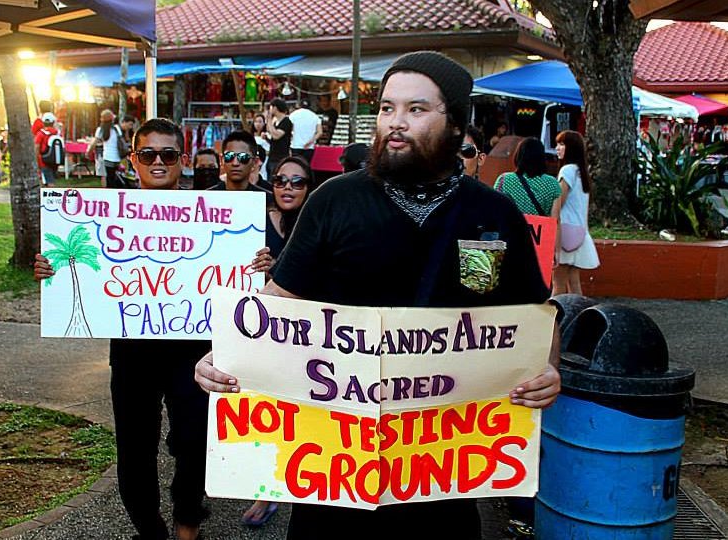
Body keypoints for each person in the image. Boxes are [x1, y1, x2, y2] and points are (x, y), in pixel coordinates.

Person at [195, 51, 560, 540]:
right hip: (334, 471)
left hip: (442, 473)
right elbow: (277, 302)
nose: (396, 123)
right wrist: (224, 356)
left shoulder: (495, 214)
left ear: (454, 124)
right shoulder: (333, 201)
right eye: (387, 108)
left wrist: (549, 372)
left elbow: (536, 317)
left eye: (416, 109)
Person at [35, 118, 272, 540]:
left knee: (195, 441)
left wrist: (259, 266)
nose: (157, 162)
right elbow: (80, 267)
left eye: (167, 154)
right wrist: (52, 268)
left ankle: (187, 522)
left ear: (182, 159)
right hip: (132, 351)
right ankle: (149, 528)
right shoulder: (103, 213)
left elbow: (241, 270)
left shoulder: (211, 214)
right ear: (133, 160)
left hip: (194, 350)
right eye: (148, 154)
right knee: (134, 448)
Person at [241, 154, 316, 528]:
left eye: (297, 181)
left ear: (309, 187)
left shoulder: (319, 223)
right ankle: (265, 490)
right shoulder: (255, 222)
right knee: (264, 415)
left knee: (299, 416)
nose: (287, 187)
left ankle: (291, 486)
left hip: (307, 339)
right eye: (281, 180)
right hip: (262, 331)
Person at [553, 130, 599, 295]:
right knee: (574, 282)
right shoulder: (581, 172)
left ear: (571, 148)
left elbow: (558, 202)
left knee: (558, 283)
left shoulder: (567, 171)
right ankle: (578, 317)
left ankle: (553, 320)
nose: (557, 148)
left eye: (561, 144)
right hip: (579, 233)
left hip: (563, 233)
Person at [493, 137, 561, 219]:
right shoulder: (553, 184)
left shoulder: (504, 180)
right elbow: (555, 221)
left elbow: (495, 210)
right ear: (542, 158)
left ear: (519, 156)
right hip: (539, 231)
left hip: (511, 230)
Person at [207, 130, 270, 195]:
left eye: (243, 157)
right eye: (229, 156)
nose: (235, 163)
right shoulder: (207, 198)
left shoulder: (267, 200)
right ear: (221, 160)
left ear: (254, 162)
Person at [93, 109, 127, 188]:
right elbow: (121, 140)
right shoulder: (116, 128)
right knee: (115, 178)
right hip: (117, 158)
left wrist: (88, 152)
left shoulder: (101, 130)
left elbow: (94, 143)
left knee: (109, 179)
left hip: (107, 158)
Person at [288, 99, 322, 164]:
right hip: (309, 147)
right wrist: (311, 141)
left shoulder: (293, 115)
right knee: (306, 166)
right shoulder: (315, 116)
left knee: (296, 165)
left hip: (296, 145)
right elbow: (320, 132)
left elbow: (289, 129)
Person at [265, 98, 293, 178]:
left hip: (280, 156)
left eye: (271, 107)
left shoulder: (286, 121)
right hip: (272, 155)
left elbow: (276, 135)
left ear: (275, 108)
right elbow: (270, 133)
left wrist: (269, 120)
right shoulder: (275, 121)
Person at [34, 112, 59, 187]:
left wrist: (36, 161)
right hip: (54, 161)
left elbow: (37, 147)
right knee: (50, 179)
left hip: (43, 161)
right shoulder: (56, 133)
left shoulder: (40, 134)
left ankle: (49, 197)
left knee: (48, 182)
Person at [251, 113, 270, 180]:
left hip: (265, 162)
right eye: (256, 122)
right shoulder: (251, 136)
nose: (258, 124)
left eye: (260, 122)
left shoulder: (268, 135)